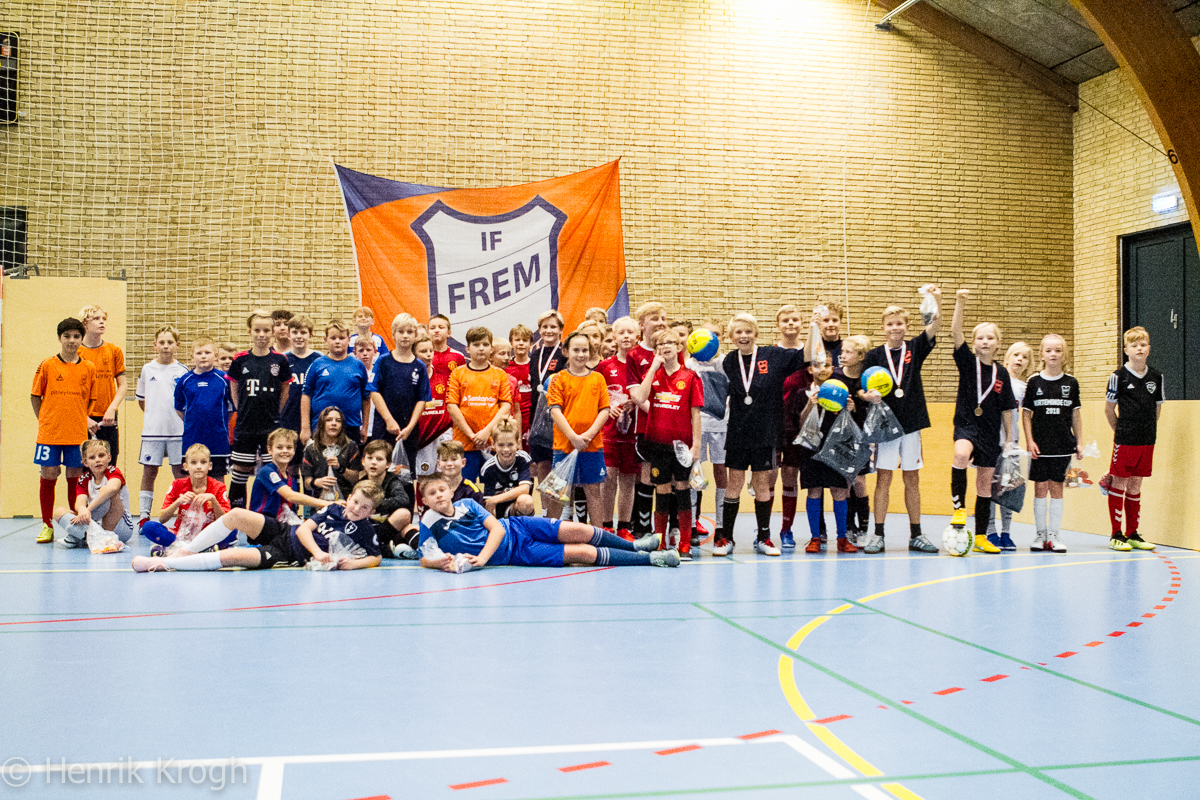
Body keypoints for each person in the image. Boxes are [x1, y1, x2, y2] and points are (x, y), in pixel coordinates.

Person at [411, 473, 678, 571]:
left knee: (580, 530)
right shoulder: (429, 523)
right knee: (584, 553)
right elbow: (425, 558)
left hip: (517, 527)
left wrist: (481, 558)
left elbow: (496, 529)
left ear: (450, 491)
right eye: (432, 494)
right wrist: (440, 561)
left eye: (442, 490)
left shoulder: (467, 505)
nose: (439, 496)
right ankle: (651, 559)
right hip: (517, 554)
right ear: (425, 501)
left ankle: (634, 546)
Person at [132, 481, 384, 572]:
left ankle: (164, 564)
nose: (356, 509)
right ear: (349, 497)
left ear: (371, 512)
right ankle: (184, 552)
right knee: (237, 514)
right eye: (355, 502)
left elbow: (376, 557)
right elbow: (303, 529)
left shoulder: (365, 529)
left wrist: (354, 564)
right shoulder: (334, 509)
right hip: (285, 531)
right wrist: (318, 552)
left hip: (288, 554)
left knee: (231, 557)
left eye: (365, 508)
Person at [860, 286, 943, 554]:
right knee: (883, 479)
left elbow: (934, 326)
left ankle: (916, 534)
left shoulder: (915, 348)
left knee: (912, 479)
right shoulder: (874, 356)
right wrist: (867, 395)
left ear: (907, 326)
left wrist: (936, 299)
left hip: (911, 424)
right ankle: (878, 534)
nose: (895, 328)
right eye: (890, 324)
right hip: (885, 427)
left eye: (899, 323)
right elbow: (860, 389)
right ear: (883, 328)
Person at [716, 313, 807, 556]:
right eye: (738, 332)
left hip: (765, 432)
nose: (743, 336)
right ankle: (726, 539)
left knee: (762, 484)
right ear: (731, 337)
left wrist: (815, 327)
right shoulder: (729, 361)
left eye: (748, 331)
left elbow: (807, 356)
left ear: (756, 334)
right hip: (738, 432)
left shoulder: (773, 355)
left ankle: (764, 538)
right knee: (734, 483)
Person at [949, 289, 1018, 554]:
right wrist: (960, 302)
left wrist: (1009, 439)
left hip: (990, 432)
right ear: (975, 343)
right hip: (966, 426)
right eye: (980, 338)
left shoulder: (1002, 373)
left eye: (990, 338)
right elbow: (956, 331)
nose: (985, 342)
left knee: (984, 485)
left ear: (998, 344)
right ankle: (958, 509)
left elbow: (1008, 409)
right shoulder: (968, 363)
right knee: (960, 454)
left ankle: (980, 537)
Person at [630, 328, 703, 560]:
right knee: (661, 491)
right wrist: (653, 367)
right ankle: (660, 541)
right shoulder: (653, 375)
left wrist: (696, 446)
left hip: (681, 446)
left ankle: (684, 544)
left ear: (679, 347)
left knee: (682, 490)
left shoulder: (690, 377)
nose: (665, 346)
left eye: (670, 342)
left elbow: (696, 414)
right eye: (660, 344)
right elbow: (639, 398)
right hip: (657, 444)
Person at [32, 317, 99, 542]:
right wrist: (45, 420)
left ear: (82, 339)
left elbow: (91, 399)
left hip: (76, 434)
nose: (72, 340)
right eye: (67, 336)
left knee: (75, 478)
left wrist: (80, 419)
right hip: (49, 433)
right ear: (59, 338)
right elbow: (35, 396)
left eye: (76, 336)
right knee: (49, 474)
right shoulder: (47, 365)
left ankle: (75, 528)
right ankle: (46, 525)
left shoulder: (88, 367)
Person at [1104, 326, 1163, 552]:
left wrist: (1146, 430)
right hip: (1125, 440)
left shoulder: (1156, 377)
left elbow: (1157, 409)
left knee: (1136, 483)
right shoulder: (1118, 377)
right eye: (1134, 345)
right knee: (1119, 482)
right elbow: (1109, 410)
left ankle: (1132, 533)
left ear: (1149, 348)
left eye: (1143, 344)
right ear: (1126, 349)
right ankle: (1116, 533)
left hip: (1147, 440)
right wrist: (1121, 431)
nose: (1139, 348)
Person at [1022, 335, 1081, 553]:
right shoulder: (1033, 381)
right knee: (1040, 488)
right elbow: (1026, 414)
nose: (1053, 354)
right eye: (1048, 350)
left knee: (1057, 488)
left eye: (1058, 350)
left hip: (1063, 444)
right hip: (1040, 445)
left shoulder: (1071, 383)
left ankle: (1054, 536)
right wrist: (1029, 440)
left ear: (1064, 354)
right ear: (1042, 354)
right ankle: (1040, 535)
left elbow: (1076, 415)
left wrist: (1079, 442)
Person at [228, 310, 292, 509]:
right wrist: (242, 409)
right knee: (240, 470)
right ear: (250, 332)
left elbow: (285, 390)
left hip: (270, 427)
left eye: (266, 330)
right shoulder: (240, 359)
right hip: (245, 426)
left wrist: (275, 412)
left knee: (271, 470)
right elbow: (234, 389)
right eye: (257, 330)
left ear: (272, 332)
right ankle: (236, 514)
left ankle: (269, 512)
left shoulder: (280, 360)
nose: (261, 335)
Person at [545, 330, 611, 522]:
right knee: (557, 493)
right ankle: (550, 534)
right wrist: (573, 437)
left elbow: (604, 410)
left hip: (592, 446)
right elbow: (555, 411)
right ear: (566, 351)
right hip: (564, 446)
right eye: (576, 350)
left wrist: (588, 436)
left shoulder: (598, 379)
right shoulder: (558, 379)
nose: (581, 354)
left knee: (593, 491)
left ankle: (598, 535)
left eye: (585, 350)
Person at [625, 301, 672, 535]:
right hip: (647, 426)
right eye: (655, 319)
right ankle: (643, 529)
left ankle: (671, 529)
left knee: (671, 478)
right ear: (642, 325)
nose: (661, 323)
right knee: (647, 476)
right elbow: (636, 395)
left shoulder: (673, 350)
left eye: (663, 318)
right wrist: (661, 412)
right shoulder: (634, 355)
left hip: (673, 428)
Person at [135, 325, 190, 523]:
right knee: (149, 472)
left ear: (177, 345)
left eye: (170, 342)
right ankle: (143, 517)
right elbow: (142, 400)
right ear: (155, 345)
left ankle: (185, 515)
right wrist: (155, 416)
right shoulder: (147, 369)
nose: (166, 346)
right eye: (162, 342)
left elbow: (186, 403)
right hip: (153, 432)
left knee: (180, 473)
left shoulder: (183, 371)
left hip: (177, 432)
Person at [796, 376, 857, 554]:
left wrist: (850, 410)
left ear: (832, 369)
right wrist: (810, 404)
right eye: (818, 366)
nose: (822, 369)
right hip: (812, 449)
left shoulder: (841, 391)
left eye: (827, 365)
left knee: (839, 491)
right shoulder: (804, 393)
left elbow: (851, 427)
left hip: (836, 448)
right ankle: (815, 537)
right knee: (814, 490)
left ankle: (842, 538)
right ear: (810, 370)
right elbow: (801, 423)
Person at [446, 326, 512, 481]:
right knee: (464, 487)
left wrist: (487, 432)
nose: (481, 348)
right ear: (467, 349)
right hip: (464, 443)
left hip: (493, 443)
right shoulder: (457, 373)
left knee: (493, 489)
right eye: (476, 345)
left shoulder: (499, 374)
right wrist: (471, 434)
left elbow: (506, 407)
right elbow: (452, 406)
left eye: (485, 344)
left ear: (491, 348)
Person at [140, 444, 233, 552]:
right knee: (148, 527)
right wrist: (178, 502)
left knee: (232, 531)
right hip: (182, 535)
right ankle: (198, 549)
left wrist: (213, 500)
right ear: (185, 466)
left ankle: (178, 549)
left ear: (210, 466)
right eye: (193, 462)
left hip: (208, 535)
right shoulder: (177, 485)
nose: (199, 466)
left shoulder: (219, 487)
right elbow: (162, 518)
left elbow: (226, 520)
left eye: (203, 462)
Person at [986, 341, 1033, 550]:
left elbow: (1026, 416)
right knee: (988, 488)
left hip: (1011, 444)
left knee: (1008, 488)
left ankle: (1006, 532)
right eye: (1016, 355)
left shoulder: (1025, 388)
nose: (1019, 360)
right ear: (1007, 358)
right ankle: (990, 531)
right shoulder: (996, 380)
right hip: (991, 442)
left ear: (1029, 364)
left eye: (1024, 357)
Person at [687, 321, 729, 547]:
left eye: (716, 334)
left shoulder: (726, 363)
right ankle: (693, 524)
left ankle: (721, 526)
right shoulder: (688, 364)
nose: (711, 338)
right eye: (706, 334)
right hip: (697, 427)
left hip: (722, 426)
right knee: (695, 474)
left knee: (721, 474)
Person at [370, 313, 430, 471]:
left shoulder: (419, 366)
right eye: (401, 331)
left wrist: (410, 427)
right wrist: (389, 420)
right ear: (393, 334)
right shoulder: (383, 361)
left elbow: (422, 399)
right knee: (381, 469)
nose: (405, 336)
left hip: (408, 430)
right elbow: (374, 392)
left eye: (409, 332)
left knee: (406, 473)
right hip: (384, 427)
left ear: (415, 336)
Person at [599, 316, 640, 538]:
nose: (626, 336)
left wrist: (636, 402)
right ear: (613, 337)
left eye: (630, 332)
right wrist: (608, 407)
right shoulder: (605, 366)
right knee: (608, 479)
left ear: (637, 336)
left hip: (633, 433)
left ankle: (624, 526)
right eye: (621, 333)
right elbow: (598, 396)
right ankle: (606, 524)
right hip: (609, 433)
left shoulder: (642, 365)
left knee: (628, 481)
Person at [52, 439, 134, 549]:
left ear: (109, 457)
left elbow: (111, 489)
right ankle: (100, 538)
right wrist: (82, 510)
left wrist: (88, 509)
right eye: (92, 457)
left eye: (101, 456)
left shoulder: (113, 472)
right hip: (97, 524)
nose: (97, 460)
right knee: (59, 512)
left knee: (109, 495)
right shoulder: (84, 479)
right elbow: (79, 503)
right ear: (85, 462)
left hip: (121, 527)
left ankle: (78, 535)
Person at [301, 319, 370, 445]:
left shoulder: (358, 365)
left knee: (349, 458)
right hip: (321, 426)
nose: (337, 341)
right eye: (333, 338)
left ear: (349, 340)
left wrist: (365, 427)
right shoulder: (317, 364)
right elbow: (306, 395)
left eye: (341, 338)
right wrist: (305, 427)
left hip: (351, 426)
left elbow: (366, 398)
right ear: (325, 340)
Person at [174, 337, 234, 481]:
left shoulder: (224, 379)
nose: (203, 356)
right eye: (199, 353)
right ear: (192, 357)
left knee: (218, 479)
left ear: (215, 356)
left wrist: (219, 423)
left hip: (218, 440)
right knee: (193, 479)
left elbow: (231, 409)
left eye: (207, 352)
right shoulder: (184, 381)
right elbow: (180, 409)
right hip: (193, 438)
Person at [834, 334, 873, 543]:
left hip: (862, 436)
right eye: (842, 351)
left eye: (848, 352)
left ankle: (864, 529)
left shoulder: (867, 379)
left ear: (861, 356)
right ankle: (849, 527)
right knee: (845, 482)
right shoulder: (836, 376)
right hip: (841, 437)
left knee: (859, 480)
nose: (843, 355)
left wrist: (857, 407)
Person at [75, 305, 126, 463]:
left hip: (107, 416)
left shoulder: (113, 350)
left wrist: (112, 409)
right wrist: (84, 418)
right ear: (85, 323)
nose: (102, 322)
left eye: (103, 318)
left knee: (109, 463)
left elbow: (123, 385)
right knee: (85, 465)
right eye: (96, 319)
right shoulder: (77, 352)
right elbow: (72, 390)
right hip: (84, 417)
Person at [249, 428, 334, 522]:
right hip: (263, 523)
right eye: (279, 447)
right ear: (269, 450)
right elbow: (291, 496)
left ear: (294, 450)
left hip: (282, 524)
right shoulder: (267, 471)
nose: (285, 451)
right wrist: (326, 503)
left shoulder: (290, 478)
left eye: (289, 447)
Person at [774, 304, 807, 547]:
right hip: (773, 424)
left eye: (795, 319)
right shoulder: (769, 353)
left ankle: (787, 529)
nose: (790, 323)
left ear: (801, 324)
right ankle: (763, 530)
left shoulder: (809, 353)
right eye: (786, 320)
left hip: (799, 424)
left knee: (790, 476)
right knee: (767, 477)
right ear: (778, 325)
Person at [357, 439, 416, 558]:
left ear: (388, 465)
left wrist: (375, 505)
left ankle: (422, 550)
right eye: (370, 458)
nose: (374, 462)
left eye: (379, 459)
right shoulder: (360, 484)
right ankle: (387, 547)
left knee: (405, 517)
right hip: (369, 527)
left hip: (390, 527)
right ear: (363, 461)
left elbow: (403, 499)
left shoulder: (392, 481)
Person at [527, 310, 567, 481]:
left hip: (557, 417)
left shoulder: (564, 353)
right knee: (542, 464)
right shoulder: (535, 354)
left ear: (560, 330)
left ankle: (560, 499)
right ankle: (544, 500)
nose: (548, 330)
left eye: (553, 327)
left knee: (558, 464)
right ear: (540, 330)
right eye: (544, 327)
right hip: (537, 417)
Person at [281, 315, 320, 478]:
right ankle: (292, 496)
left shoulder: (318, 360)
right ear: (288, 334)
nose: (299, 336)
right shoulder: (282, 359)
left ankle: (311, 495)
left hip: (312, 420)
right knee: (289, 466)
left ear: (310, 334)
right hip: (287, 419)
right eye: (295, 332)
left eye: (303, 332)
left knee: (310, 466)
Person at [301, 406, 362, 502]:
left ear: (342, 425)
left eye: (338, 421)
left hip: (345, 500)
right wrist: (317, 482)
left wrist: (340, 468)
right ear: (322, 424)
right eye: (329, 420)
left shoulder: (350, 446)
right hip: (319, 501)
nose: (334, 423)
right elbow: (307, 484)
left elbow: (355, 478)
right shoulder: (311, 449)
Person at [412, 336, 454, 476]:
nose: (429, 354)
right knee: (424, 476)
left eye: (431, 350)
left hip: (443, 433)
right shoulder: (409, 380)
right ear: (414, 354)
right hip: (423, 435)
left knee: (446, 475)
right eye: (423, 351)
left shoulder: (444, 378)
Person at [478, 419, 535, 518]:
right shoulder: (488, 468)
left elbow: (525, 489)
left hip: (517, 507)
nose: (506, 449)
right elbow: (489, 501)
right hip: (498, 511)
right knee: (488, 506)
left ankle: (524, 527)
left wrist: (495, 499)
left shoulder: (523, 458)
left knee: (526, 501)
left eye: (510, 444)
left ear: (517, 443)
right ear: (493, 444)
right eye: (501, 445)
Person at [506, 324, 535, 445]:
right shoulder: (506, 367)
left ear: (531, 344)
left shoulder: (536, 365)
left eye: (525, 340)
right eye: (517, 340)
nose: (521, 343)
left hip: (532, 417)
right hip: (512, 417)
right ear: (511, 343)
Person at [433, 440, 486, 505]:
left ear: (463, 462)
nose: (449, 463)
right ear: (438, 464)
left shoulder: (472, 492)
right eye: (444, 460)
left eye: (454, 459)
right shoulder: (432, 490)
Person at [354, 336, 386, 440]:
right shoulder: (352, 374)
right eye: (361, 350)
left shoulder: (380, 373)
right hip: (357, 423)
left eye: (368, 350)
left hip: (376, 424)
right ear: (354, 353)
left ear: (375, 352)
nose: (365, 354)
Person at [490, 337, 522, 432]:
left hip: (507, 430)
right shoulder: (483, 378)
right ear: (490, 356)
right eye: (502, 353)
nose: (507, 357)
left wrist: (518, 436)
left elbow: (516, 411)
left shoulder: (512, 380)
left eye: (509, 354)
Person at [427, 314, 465, 382]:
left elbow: (463, 381)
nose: (436, 330)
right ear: (427, 333)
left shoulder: (458, 356)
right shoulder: (424, 356)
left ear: (449, 333)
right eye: (432, 328)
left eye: (441, 327)